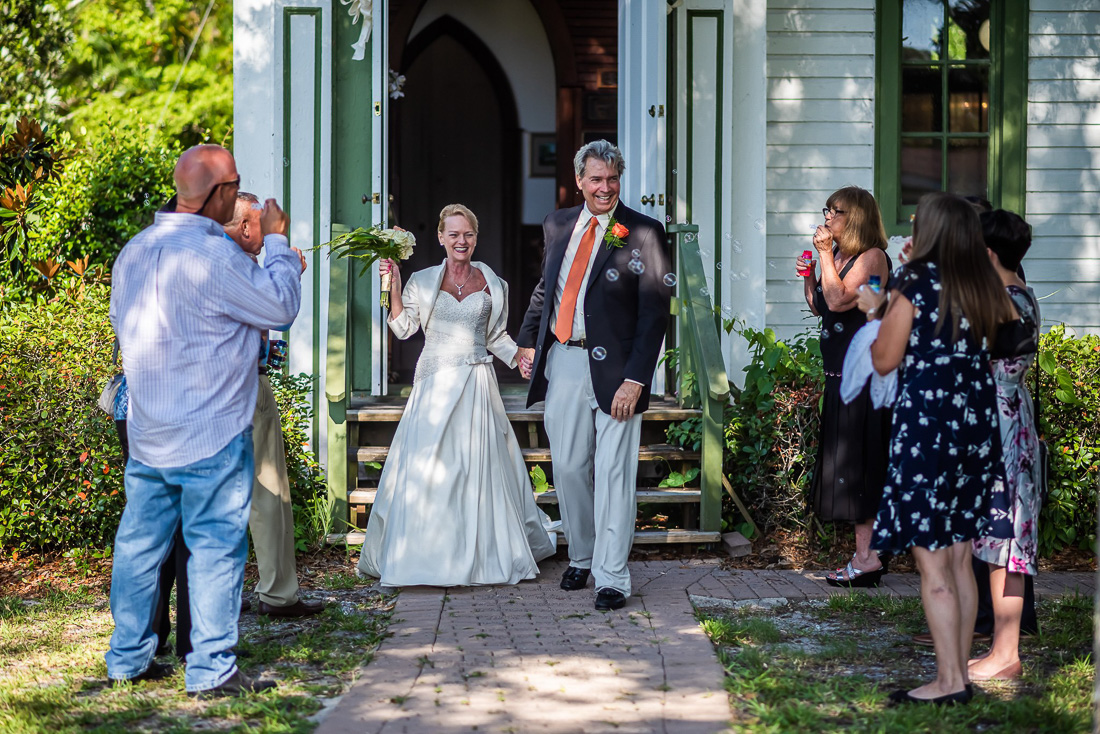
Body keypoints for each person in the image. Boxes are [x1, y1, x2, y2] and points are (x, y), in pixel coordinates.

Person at [106, 144, 304, 698]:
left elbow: (125, 331)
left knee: (141, 547)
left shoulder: (133, 253)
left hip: (148, 430)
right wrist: (278, 242)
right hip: (212, 431)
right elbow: (280, 306)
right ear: (218, 195)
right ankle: (212, 670)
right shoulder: (218, 258)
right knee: (216, 548)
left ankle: (128, 659)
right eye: (234, 184)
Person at [856, 192, 1014, 705]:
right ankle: (961, 676)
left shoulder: (915, 282)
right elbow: (1012, 339)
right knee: (961, 557)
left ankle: (948, 682)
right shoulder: (983, 283)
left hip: (928, 433)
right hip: (975, 430)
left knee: (932, 565)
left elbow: (883, 359)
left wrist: (875, 313)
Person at [356, 204, 556, 586]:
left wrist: (521, 357)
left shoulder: (494, 283)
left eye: (467, 234)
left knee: (478, 468)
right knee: (429, 470)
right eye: (453, 234)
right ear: (440, 237)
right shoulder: (423, 280)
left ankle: (481, 554)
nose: (460, 241)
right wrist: (394, 286)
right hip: (434, 384)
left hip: (478, 384)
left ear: (475, 238)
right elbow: (401, 328)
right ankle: (425, 555)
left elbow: (496, 337)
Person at [515, 140, 673, 611]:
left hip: (620, 369)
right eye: (596, 179)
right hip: (564, 359)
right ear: (579, 181)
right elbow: (548, 287)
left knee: (613, 471)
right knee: (565, 467)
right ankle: (581, 557)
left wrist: (637, 379)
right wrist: (528, 339)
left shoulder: (643, 231)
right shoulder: (558, 223)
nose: (605, 188)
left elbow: (655, 313)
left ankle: (612, 576)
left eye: (612, 179)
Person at [224, 192, 324, 618]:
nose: (265, 232)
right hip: (247, 387)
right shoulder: (242, 264)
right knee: (268, 493)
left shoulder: (206, 260)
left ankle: (229, 596)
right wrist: (288, 271)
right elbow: (278, 314)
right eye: (260, 223)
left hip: (214, 393)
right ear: (247, 226)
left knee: (222, 497)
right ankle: (278, 594)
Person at [795, 186, 892, 587]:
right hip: (841, 378)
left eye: (834, 211)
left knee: (861, 471)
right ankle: (865, 556)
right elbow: (820, 304)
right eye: (827, 210)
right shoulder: (841, 257)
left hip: (864, 382)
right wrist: (810, 274)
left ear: (854, 217)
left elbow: (838, 301)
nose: (827, 217)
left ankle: (867, 559)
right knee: (849, 471)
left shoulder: (872, 257)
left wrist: (822, 257)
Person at [967, 209, 1041, 681]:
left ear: (988, 254)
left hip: (1003, 431)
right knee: (999, 540)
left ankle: (1006, 653)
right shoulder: (1018, 293)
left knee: (1006, 540)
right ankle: (1001, 649)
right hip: (1008, 423)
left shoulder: (1004, 300)